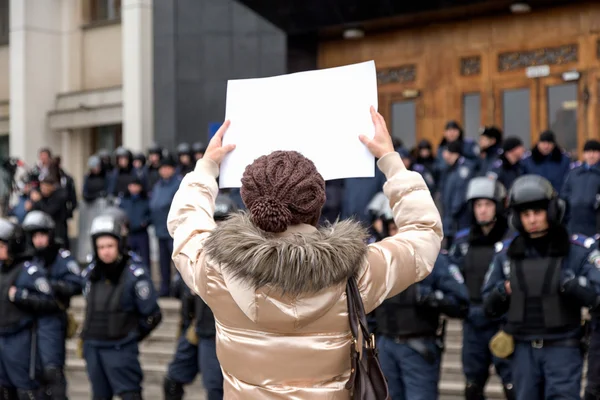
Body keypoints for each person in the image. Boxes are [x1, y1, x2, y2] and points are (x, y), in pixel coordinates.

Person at [167, 107, 443, 398]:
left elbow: (186, 222)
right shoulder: (357, 273)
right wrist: (392, 163)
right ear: (317, 203)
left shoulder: (214, 268)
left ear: (251, 204)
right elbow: (424, 235)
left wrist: (207, 168)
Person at [482, 175, 600, 400]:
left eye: (538, 212)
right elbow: (486, 304)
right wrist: (503, 290)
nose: (532, 219)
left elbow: (597, 294)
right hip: (522, 350)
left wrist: (572, 285)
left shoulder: (576, 250)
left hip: (563, 347)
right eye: (526, 214)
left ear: (552, 211)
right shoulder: (506, 253)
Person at [80, 211, 162, 400]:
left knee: (130, 394)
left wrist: (130, 336)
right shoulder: (91, 273)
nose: (105, 251)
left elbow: (153, 315)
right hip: (93, 348)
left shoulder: (134, 272)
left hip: (120, 349)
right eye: (100, 247)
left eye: (110, 245)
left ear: (119, 244)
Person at [163, 193, 236, 400]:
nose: (218, 229)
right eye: (214, 223)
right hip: (197, 327)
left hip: (220, 332)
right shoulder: (198, 253)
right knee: (172, 380)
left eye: (223, 223)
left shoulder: (241, 259)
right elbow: (179, 291)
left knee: (216, 388)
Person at [449, 177, 514, 399]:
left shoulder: (511, 241)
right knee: (473, 386)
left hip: (503, 321)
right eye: (478, 205)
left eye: (487, 204)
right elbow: (452, 278)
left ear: (498, 206)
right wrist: (460, 306)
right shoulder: (462, 242)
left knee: (512, 384)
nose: (482, 210)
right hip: (474, 322)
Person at [375, 247, 469, 400]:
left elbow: (461, 303)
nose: (396, 232)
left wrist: (427, 296)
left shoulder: (433, 259)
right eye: (392, 228)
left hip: (418, 347)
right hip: (385, 345)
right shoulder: (382, 258)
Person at [22, 211, 83, 400]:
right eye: (35, 236)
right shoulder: (28, 258)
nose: (39, 240)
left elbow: (77, 283)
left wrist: (51, 286)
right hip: (29, 318)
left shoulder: (61, 256)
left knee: (52, 371)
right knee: (33, 371)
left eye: (42, 235)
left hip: (52, 318)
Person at [0, 218, 60, 399]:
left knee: (26, 389)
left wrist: (21, 296)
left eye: (2, 245)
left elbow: (49, 301)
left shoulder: (28, 270)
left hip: (20, 338)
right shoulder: (2, 269)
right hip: (2, 335)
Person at [150, 155, 181, 297]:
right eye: (162, 168)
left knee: (179, 262)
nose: (164, 171)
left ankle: (179, 289)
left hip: (174, 231)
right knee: (163, 263)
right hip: (159, 229)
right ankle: (164, 288)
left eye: (166, 168)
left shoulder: (178, 184)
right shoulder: (158, 185)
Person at [441, 140, 477, 248]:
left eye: (446, 152)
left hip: (460, 219)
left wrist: (452, 213)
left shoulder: (464, 168)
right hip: (451, 220)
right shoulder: (451, 168)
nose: (444, 155)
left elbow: (460, 195)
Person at [561, 139, 600, 237]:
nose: (591, 155)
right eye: (588, 152)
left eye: (595, 152)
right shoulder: (574, 173)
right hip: (574, 223)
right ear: (583, 154)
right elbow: (564, 193)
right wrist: (572, 201)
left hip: (595, 223)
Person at [118, 176, 151, 269]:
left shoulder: (145, 200)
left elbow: (150, 214)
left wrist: (144, 222)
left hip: (142, 234)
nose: (133, 188)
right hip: (129, 234)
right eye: (131, 185)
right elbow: (120, 214)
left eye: (136, 186)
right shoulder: (124, 200)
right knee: (128, 259)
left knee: (145, 260)